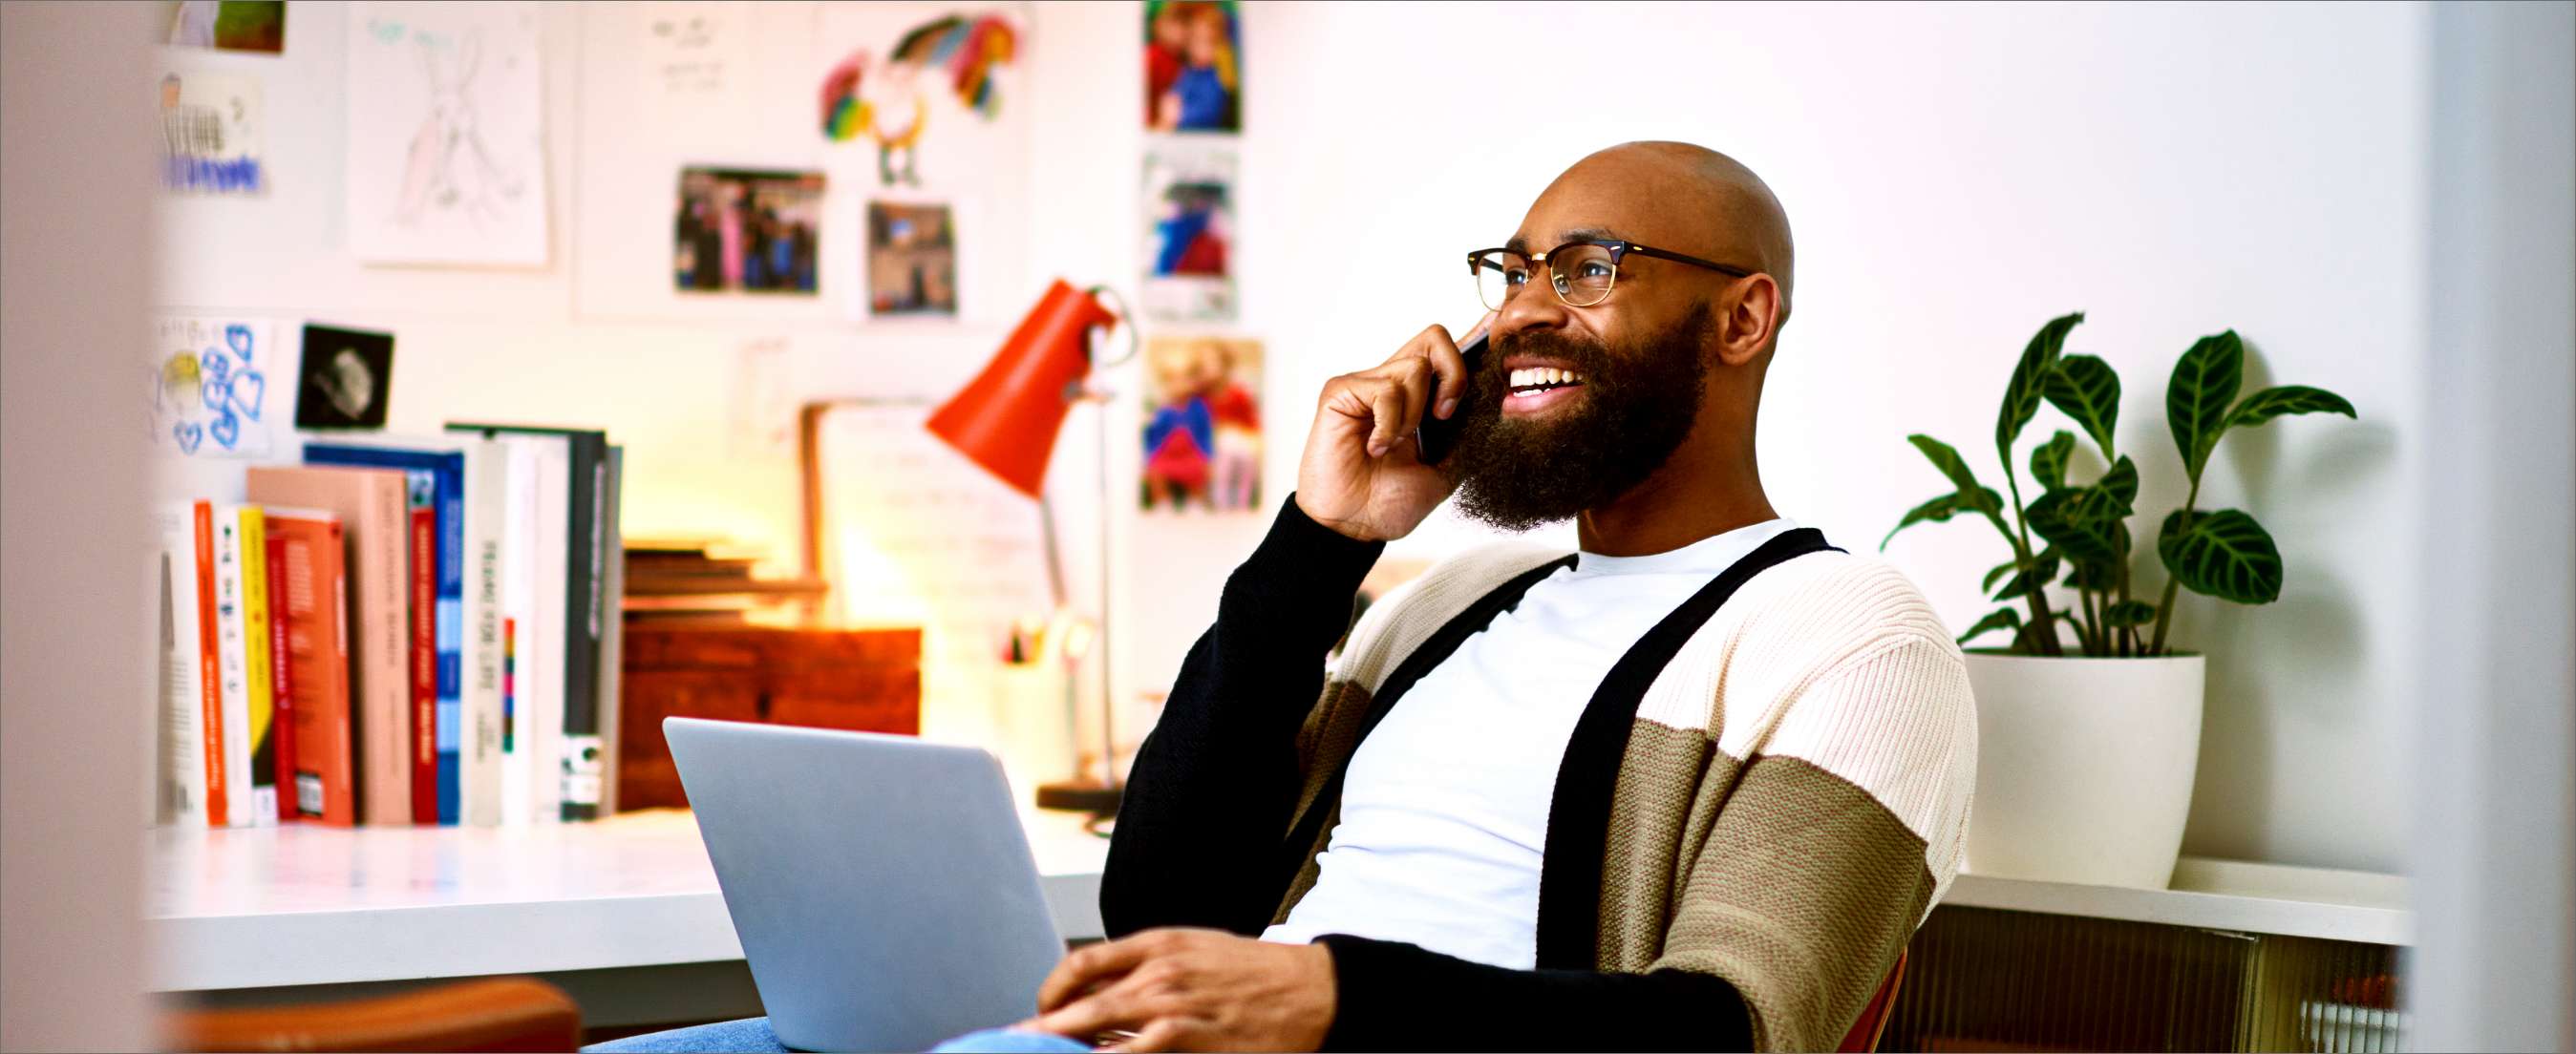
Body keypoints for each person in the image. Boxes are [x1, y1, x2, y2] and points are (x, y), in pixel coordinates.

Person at [594, 141, 1974, 1054]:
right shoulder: (1454, 595)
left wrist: (1325, 997)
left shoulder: (1848, 636)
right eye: (1512, 272)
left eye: (1590, 269)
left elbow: (1731, 1029)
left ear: (1740, 319)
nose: (1524, 313)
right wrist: (1321, 540)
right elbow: (1162, 896)